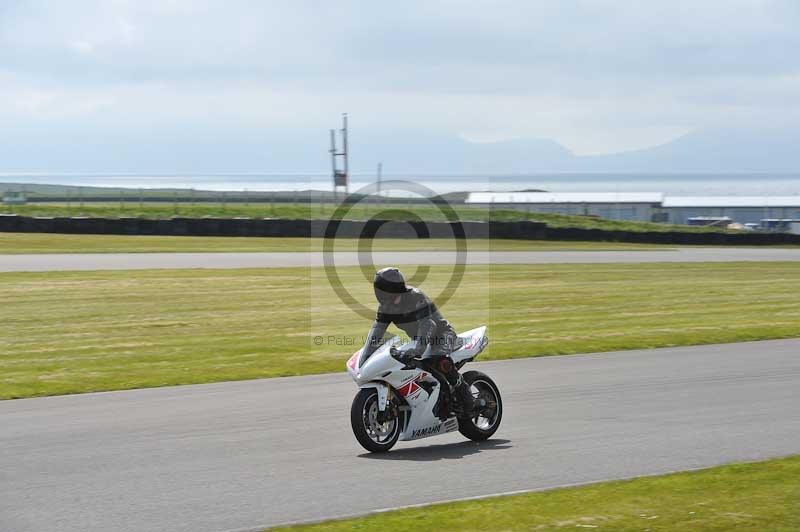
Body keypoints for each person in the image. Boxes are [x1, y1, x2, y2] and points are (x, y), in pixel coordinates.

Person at [362, 267, 476, 416]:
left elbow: (428, 324)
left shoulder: (416, 297)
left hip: (442, 335)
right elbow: (377, 330)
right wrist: (366, 357)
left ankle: (467, 398)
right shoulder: (385, 307)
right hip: (419, 340)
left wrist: (417, 349)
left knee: (439, 362)